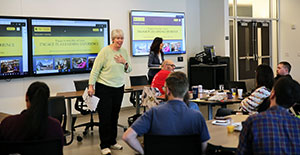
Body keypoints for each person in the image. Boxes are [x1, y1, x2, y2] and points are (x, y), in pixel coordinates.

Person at [122, 72, 210, 155]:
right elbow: (203, 146)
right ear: (186, 91)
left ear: (167, 90)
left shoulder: (153, 113)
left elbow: (128, 136)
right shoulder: (197, 116)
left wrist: (145, 152)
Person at [88, 29, 132, 155]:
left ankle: (112, 141)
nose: (120, 40)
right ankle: (104, 144)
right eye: (117, 38)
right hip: (104, 87)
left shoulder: (123, 52)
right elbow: (95, 70)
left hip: (119, 87)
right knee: (105, 117)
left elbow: (129, 69)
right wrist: (91, 86)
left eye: (122, 38)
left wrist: (124, 62)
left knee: (115, 115)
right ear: (113, 39)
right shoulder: (105, 51)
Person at [237, 77, 300, 154]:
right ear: (293, 104)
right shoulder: (297, 124)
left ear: (272, 94)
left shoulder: (253, 121)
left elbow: (241, 152)